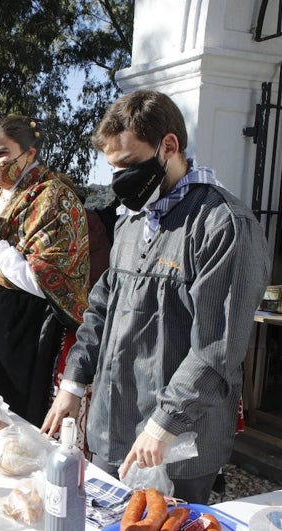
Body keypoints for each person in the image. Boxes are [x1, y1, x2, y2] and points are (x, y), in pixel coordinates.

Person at [42, 91, 270, 505]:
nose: (120, 180)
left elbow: (217, 347)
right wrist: (73, 383)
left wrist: (165, 422)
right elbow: (101, 310)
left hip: (177, 442)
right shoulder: (132, 223)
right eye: (113, 169)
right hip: (113, 426)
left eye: (129, 165)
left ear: (169, 146)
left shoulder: (223, 225)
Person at [0, 115, 98, 428]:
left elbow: (42, 282)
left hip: (34, 331)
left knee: (19, 428)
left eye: (3, 153)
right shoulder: (2, 200)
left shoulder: (55, 198)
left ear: (30, 153)